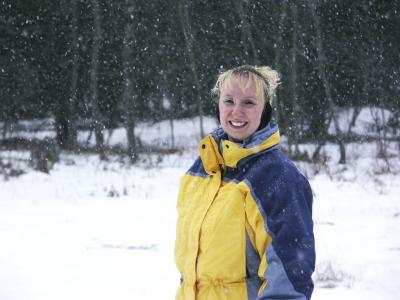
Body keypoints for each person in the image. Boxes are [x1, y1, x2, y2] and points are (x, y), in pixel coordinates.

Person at [174, 65, 315, 300]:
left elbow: (289, 275)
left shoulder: (277, 176)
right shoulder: (202, 169)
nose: (236, 111)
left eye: (248, 103)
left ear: (265, 111)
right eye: (229, 101)